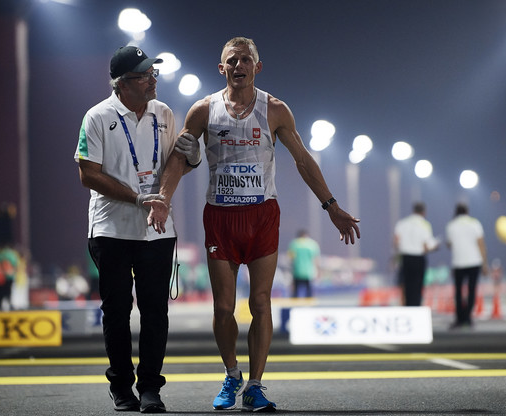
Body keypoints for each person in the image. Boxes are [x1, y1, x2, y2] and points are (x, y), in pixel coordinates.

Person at [148, 36, 360, 412]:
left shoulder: (275, 109)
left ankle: (256, 386)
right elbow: (180, 159)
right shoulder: (202, 110)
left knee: (261, 301)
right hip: (221, 217)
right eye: (232, 60)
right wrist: (163, 200)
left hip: (262, 215)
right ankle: (232, 375)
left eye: (246, 60)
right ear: (222, 68)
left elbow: (303, 160)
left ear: (257, 67)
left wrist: (332, 206)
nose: (239, 65)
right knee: (223, 308)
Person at [74, 45, 198, 413]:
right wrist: (137, 198)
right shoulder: (96, 116)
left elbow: (176, 165)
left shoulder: (163, 113)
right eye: (145, 75)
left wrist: (190, 158)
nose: (153, 80)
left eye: (153, 74)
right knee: (116, 311)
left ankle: (150, 389)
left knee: (156, 310)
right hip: (111, 227)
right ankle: (121, 387)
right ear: (122, 84)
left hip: (157, 229)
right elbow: (87, 175)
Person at [446, 203, 488, 329]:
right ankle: (468, 317)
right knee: (471, 290)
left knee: (458, 292)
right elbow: (481, 244)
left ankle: (459, 318)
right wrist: (485, 263)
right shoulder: (475, 223)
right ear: (467, 211)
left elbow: (449, 245)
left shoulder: (451, 225)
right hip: (474, 262)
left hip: (458, 262)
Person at [394, 202, 438, 306]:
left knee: (406, 285)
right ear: (424, 212)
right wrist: (435, 247)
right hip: (418, 258)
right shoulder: (425, 224)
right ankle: (416, 307)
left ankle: (408, 307)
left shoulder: (402, 223)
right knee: (418, 286)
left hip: (405, 258)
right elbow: (426, 246)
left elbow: (396, 242)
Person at [287, 229, 320, 298]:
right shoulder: (312, 244)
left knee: (295, 293)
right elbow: (316, 260)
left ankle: (294, 307)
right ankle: (309, 308)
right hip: (309, 272)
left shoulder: (294, 244)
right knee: (309, 293)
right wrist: (318, 272)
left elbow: (291, 260)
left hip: (297, 272)